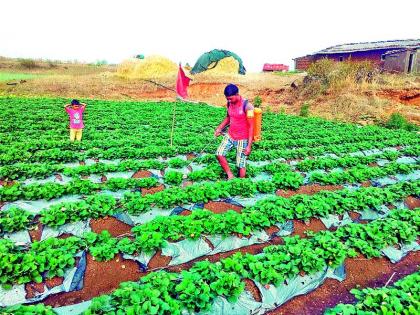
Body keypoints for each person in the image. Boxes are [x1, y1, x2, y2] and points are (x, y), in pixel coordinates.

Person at [214, 84, 254, 179]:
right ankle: (230, 175)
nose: (228, 100)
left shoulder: (248, 106)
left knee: (241, 164)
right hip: (230, 135)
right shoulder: (229, 104)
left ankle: (241, 182)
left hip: (242, 138)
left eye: (230, 98)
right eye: (227, 98)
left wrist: (249, 146)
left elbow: (251, 127)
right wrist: (219, 128)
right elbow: (228, 118)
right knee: (219, 154)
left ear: (237, 94)